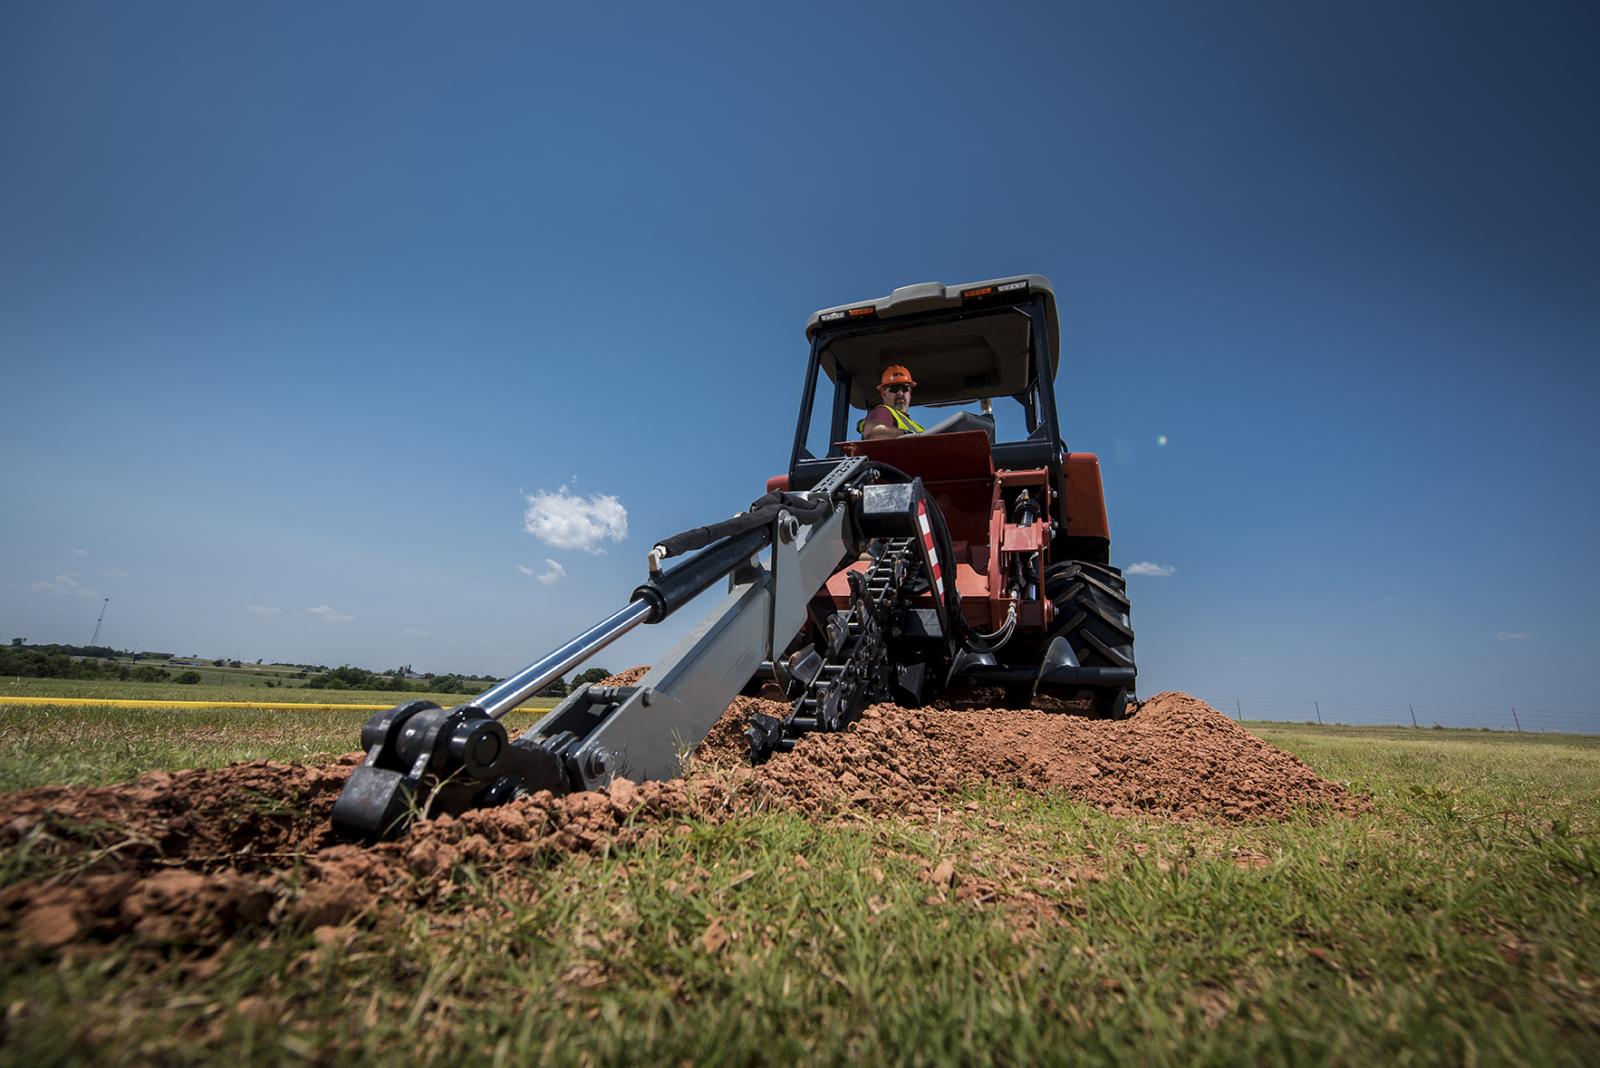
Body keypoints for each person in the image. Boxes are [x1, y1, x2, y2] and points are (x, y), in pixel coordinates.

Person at [857, 365, 925, 439]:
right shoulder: (883, 411)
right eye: (894, 389)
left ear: (910, 393)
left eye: (905, 389)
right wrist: (906, 434)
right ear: (884, 394)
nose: (900, 393)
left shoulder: (919, 428)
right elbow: (872, 430)